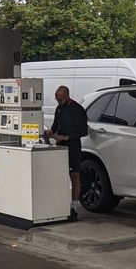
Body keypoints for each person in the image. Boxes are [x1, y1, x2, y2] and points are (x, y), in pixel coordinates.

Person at [45, 86, 88, 221]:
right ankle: (61, 203)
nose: (59, 102)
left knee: (75, 176)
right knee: (60, 175)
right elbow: (55, 125)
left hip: (73, 146)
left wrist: (68, 137)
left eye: (61, 99)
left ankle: (74, 206)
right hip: (60, 145)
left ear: (67, 96)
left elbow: (83, 131)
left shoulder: (78, 110)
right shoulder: (59, 109)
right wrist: (51, 132)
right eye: (57, 99)